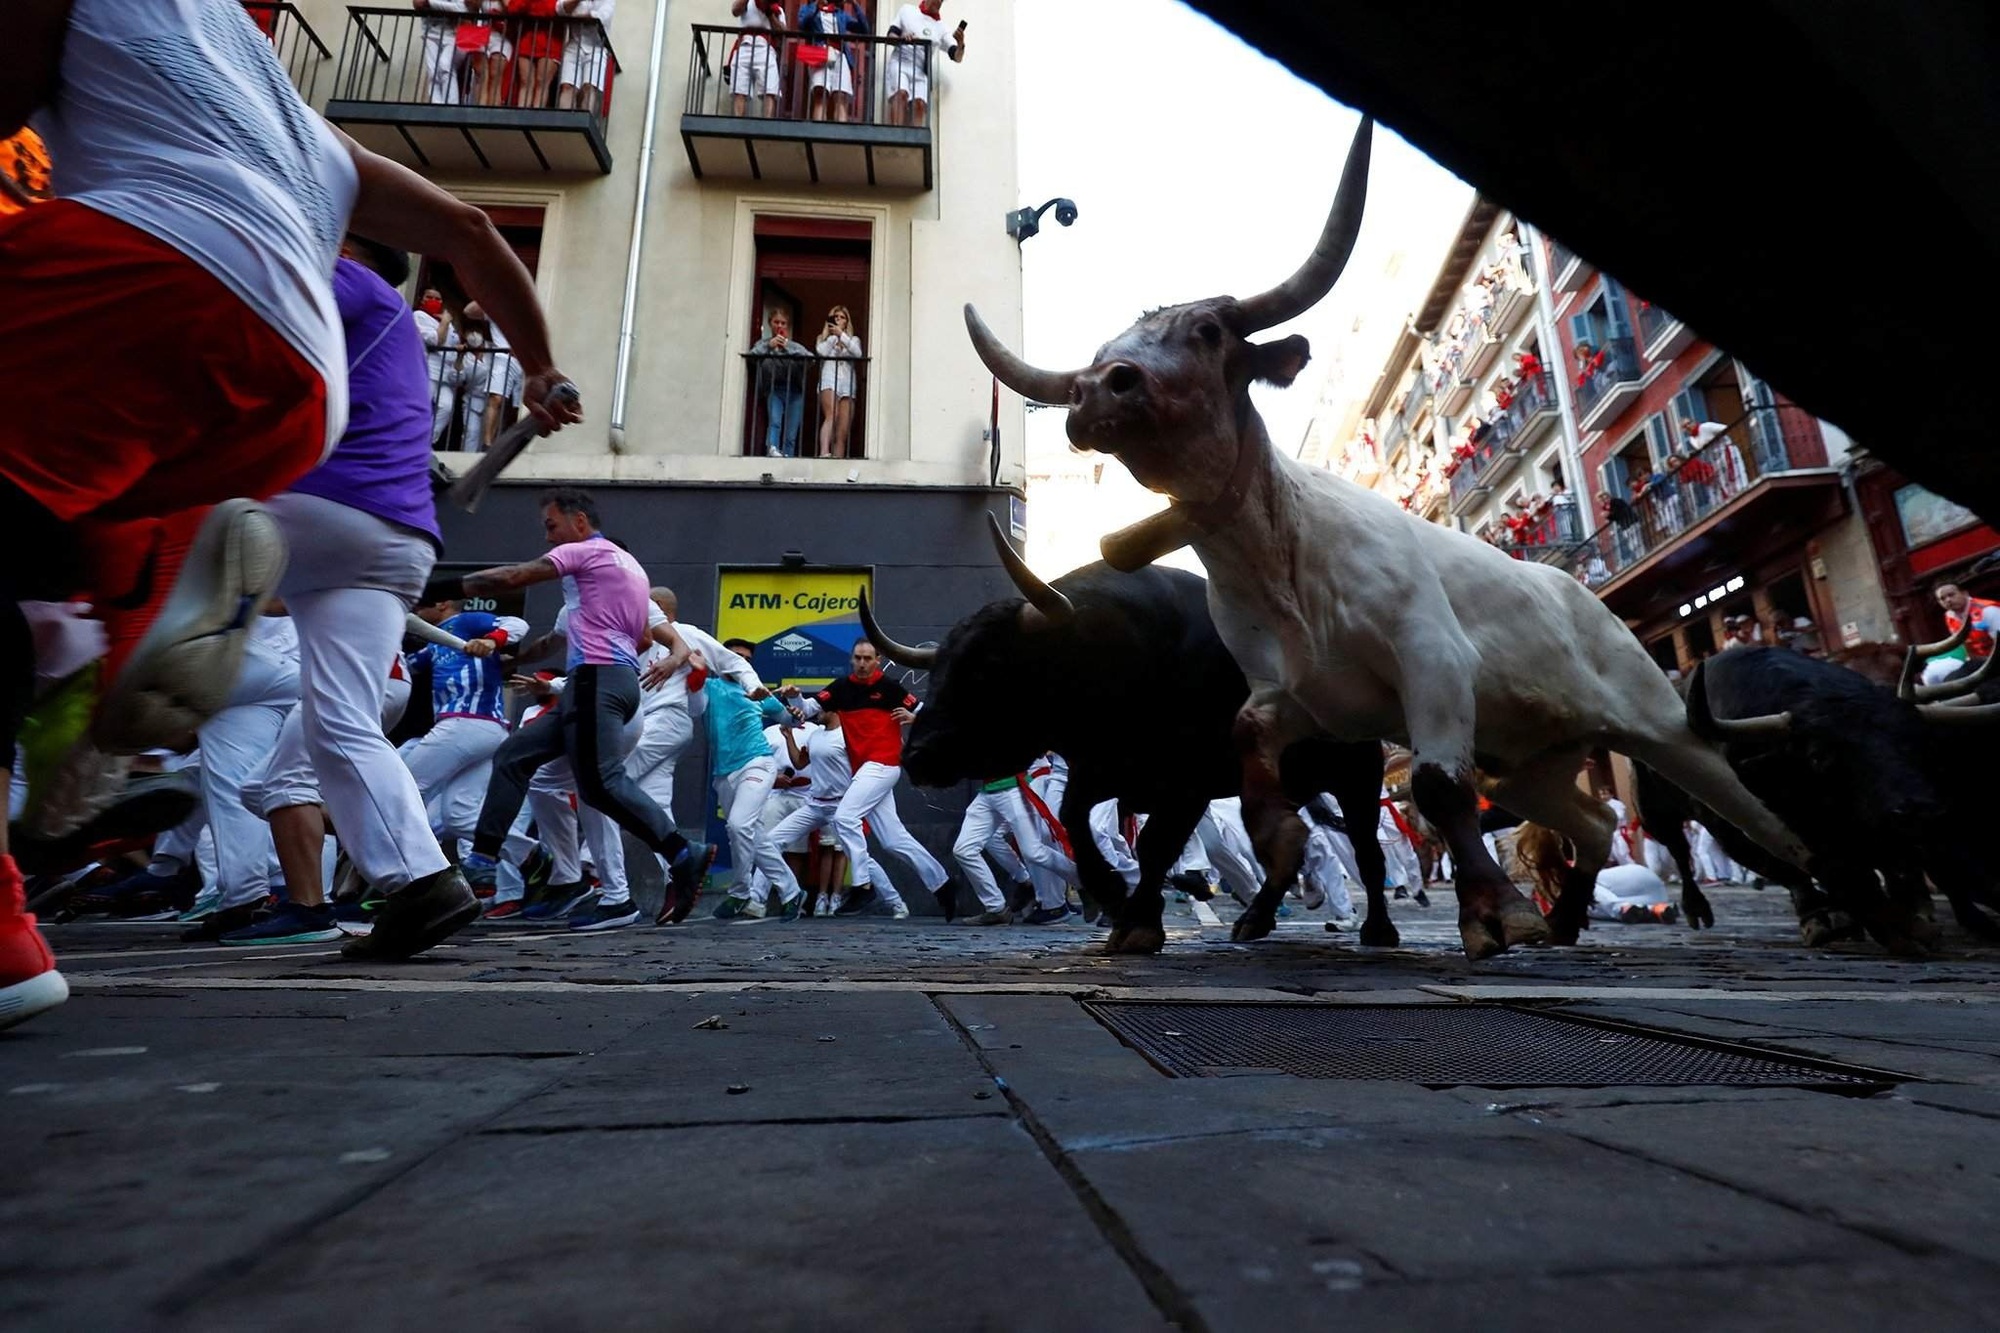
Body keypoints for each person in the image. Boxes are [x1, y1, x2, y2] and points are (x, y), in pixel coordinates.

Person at [0, 0, 582, 1020]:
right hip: (323, 439)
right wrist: (539, 369)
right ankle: (415, 876)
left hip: (291, 477)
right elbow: (473, 228)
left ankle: (98, 646)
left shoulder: (350, 270)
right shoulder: (305, 141)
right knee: (338, 715)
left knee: (99, 486)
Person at [453, 489, 716, 931]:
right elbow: (551, 642)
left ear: (580, 524)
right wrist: (514, 661)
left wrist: (440, 584)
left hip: (609, 690)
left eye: (552, 526)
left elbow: (519, 576)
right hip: (591, 687)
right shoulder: (598, 586)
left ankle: (669, 859)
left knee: (601, 786)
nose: (550, 538)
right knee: (522, 763)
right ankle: (503, 863)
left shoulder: (605, 567)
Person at [790, 639, 948, 919]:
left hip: (883, 765)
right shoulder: (840, 688)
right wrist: (793, 697)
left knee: (844, 818)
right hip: (866, 771)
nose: (862, 663)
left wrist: (914, 718)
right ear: (852, 660)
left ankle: (863, 885)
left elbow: (930, 713)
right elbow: (808, 707)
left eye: (867, 658)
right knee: (893, 840)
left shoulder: (890, 688)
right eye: (858, 658)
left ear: (877, 660)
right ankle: (943, 884)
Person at [401, 597, 528, 865]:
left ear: (443, 604)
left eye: (422, 605)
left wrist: (492, 641)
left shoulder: (466, 621)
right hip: (487, 732)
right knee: (459, 814)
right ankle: (537, 858)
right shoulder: (435, 643)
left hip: (465, 721)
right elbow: (408, 665)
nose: (416, 610)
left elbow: (517, 624)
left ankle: (418, 876)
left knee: (403, 792)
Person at [704, 675, 806, 921]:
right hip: (723, 772)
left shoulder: (757, 690)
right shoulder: (710, 687)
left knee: (739, 826)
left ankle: (740, 893)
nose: (739, 662)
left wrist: (794, 714)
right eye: (735, 656)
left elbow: (788, 719)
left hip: (758, 763)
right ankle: (792, 892)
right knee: (753, 834)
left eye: (745, 658)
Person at [884, 1, 965, 127]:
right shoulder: (907, 11)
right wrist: (902, 37)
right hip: (901, 62)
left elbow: (957, 57)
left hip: (921, 70)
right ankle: (897, 131)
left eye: (941, 0)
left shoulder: (941, 27)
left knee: (919, 104)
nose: (939, 2)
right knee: (901, 94)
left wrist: (960, 44)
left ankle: (914, 141)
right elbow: (890, 35)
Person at [750, 311, 814, 458]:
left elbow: (810, 360)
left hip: (795, 391)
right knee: (775, 421)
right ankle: (772, 449)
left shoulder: (794, 346)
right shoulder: (763, 344)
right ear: (770, 323)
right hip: (774, 389)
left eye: (783, 323)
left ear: (787, 325)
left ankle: (788, 456)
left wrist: (787, 348)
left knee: (791, 431)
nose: (779, 325)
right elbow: (752, 357)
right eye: (776, 322)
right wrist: (769, 347)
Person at [799, 0, 867, 123]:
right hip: (820, 53)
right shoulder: (808, 8)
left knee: (841, 96)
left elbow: (863, 28)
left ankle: (840, 137)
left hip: (839, 55)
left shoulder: (840, 13)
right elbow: (802, 25)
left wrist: (854, 4)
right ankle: (818, 134)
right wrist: (816, 7)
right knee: (820, 94)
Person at [815, 306, 864, 459]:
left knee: (842, 429)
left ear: (847, 321)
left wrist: (842, 336)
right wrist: (833, 337)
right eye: (835, 317)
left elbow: (858, 353)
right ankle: (824, 452)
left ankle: (838, 460)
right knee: (831, 415)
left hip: (847, 384)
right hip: (829, 378)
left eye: (842, 317)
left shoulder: (853, 339)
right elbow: (821, 352)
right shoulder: (823, 338)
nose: (838, 320)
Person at [729, 0, 786, 119]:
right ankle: (738, 122)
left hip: (765, 46)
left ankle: (767, 122)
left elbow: (782, 32)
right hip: (745, 44)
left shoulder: (777, 10)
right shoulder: (747, 4)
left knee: (769, 88)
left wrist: (769, 12)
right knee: (740, 88)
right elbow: (735, 11)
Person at [556, 0, 615, 113]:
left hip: (597, 47)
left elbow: (602, 17)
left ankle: (583, 120)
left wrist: (577, 17)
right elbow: (560, 9)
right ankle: (563, 120)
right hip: (575, 43)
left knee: (589, 87)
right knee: (567, 86)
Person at [415, 0, 471, 105]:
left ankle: (451, 107)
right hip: (429, 31)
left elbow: (460, 8)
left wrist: (430, 3)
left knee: (445, 66)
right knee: (433, 72)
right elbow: (418, 3)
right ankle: (437, 105)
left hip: (452, 34)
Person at [1935, 582, 2000, 661]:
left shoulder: (1989, 610)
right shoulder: (1949, 616)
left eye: (1951, 595)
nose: (1948, 600)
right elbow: (1964, 644)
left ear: (1965, 593)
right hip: (1979, 660)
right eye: (1942, 598)